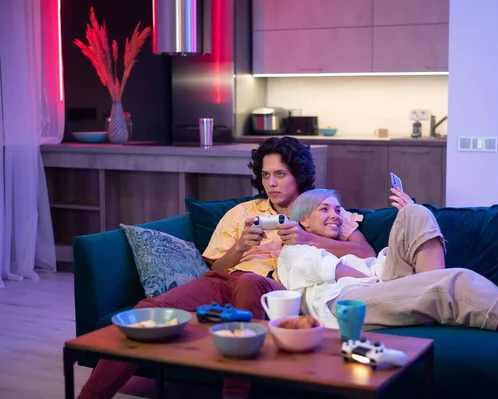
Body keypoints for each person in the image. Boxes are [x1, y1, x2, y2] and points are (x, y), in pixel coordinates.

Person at [77, 137, 375, 399]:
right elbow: (213, 267)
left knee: (248, 284)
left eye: (280, 174)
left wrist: (309, 237)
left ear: (298, 176)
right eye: (266, 175)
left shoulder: (323, 209)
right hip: (224, 280)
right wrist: (240, 248)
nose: (271, 183)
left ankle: (234, 394)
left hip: (272, 289)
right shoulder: (243, 213)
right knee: (145, 310)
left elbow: (365, 252)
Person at [277, 188, 498, 357]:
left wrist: (401, 224)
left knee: (415, 213)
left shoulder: (351, 245)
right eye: (325, 209)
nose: (335, 215)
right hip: (347, 304)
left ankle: (434, 297)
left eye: (338, 210)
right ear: (303, 219)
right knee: (453, 284)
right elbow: (351, 273)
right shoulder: (295, 250)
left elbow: (376, 264)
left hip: (381, 284)